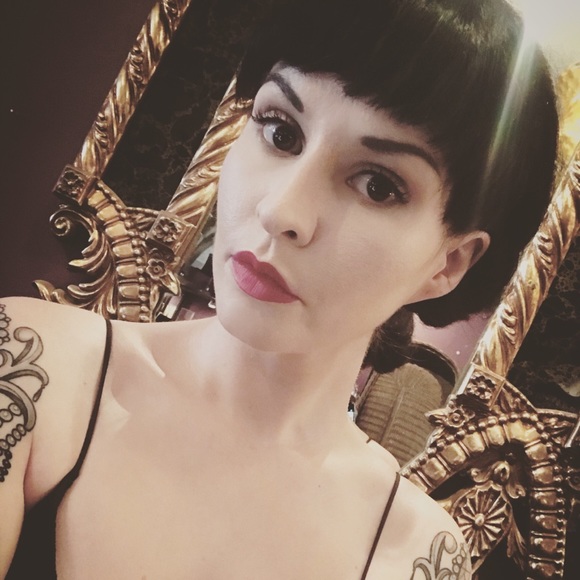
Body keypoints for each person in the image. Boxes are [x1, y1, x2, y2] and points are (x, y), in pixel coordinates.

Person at [0, 0, 558, 577]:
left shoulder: (416, 553)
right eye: (280, 132)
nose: (280, 210)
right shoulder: (34, 370)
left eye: (376, 185)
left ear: (448, 262)